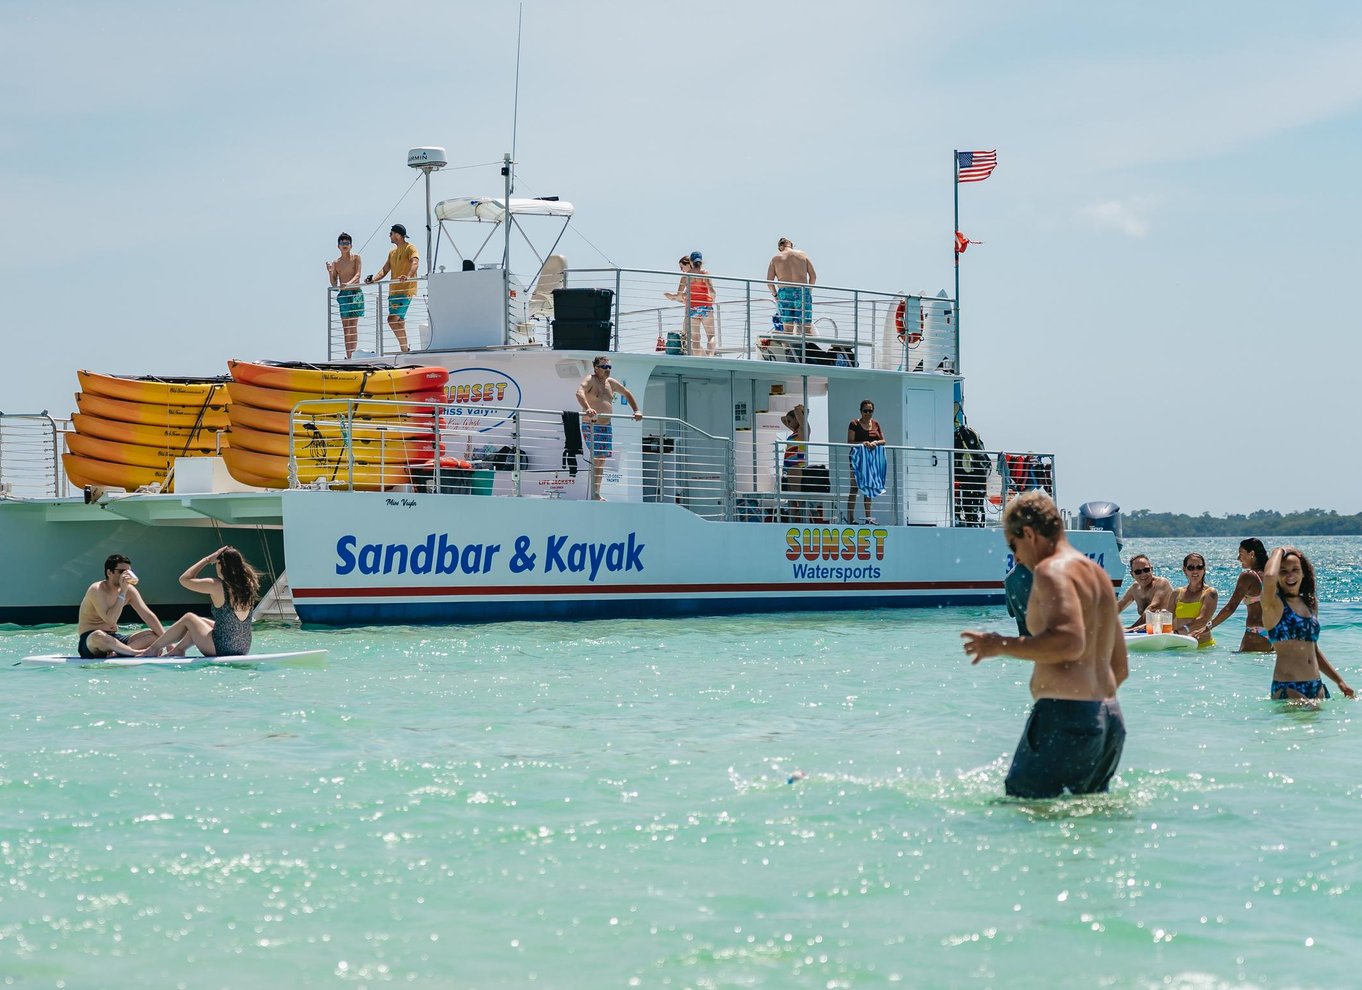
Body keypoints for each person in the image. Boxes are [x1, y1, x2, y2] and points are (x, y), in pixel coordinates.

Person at [961, 491, 1128, 799]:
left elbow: (1068, 642)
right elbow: (1120, 667)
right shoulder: (1098, 576)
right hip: (1109, 721)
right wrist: (1089, 709)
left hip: (1064, 718)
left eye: (1014, 546)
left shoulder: (1052, 570)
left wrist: (999, 645)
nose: (1017, 557)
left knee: (1022, 816)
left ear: (1028, 533)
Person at [1260, 546, 1354, 701]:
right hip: (1289, 687)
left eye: (1295, 569)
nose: (1290, 575)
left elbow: (1313, 650)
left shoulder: (1309, 603)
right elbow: (1269, 576)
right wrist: (1280, 550)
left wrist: (1339, 681)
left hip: (1316, 686)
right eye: (1283, 571)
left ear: (1303, 573)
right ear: (1278, 576)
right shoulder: (1273, 605)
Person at [141, 547, 262, 658]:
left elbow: (184, 579)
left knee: (189, 618)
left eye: (216, 564)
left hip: (221, 648)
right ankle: (179, 649)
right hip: (243, 647)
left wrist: (207, 559)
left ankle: (152, 649)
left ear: (222, 565)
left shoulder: (216, 585)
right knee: (200, 622)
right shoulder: (248, 585)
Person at [575, 356, 643, 501]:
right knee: (598, 457)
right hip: (591, 425)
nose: (608, 370)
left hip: (606, 426)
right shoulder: (590, 380)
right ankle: (595, 493)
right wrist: (588, 408)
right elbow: (579, 392)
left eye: (609, 367)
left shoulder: (611, 383)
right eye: (604, 367)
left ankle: (596, 492)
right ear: (596, 368)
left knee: (602, 459)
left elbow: (626, 393)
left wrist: (636, 410)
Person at [75, 553, 166, 658]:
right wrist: (122, 592)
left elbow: (147, 615)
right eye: (122, 572)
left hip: (114, 638)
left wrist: (168, 642)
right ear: (109, 572)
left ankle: (117, 653)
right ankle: (136, 653)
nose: (126, 575)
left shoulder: (129, 590)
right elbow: (110, 620)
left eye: (129, 572)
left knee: (153, 636)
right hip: (91, 641)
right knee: (98, 635)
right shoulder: (97, 589)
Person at [1195, 538, 1271, 653]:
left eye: (1241, 553)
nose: (1238, 558)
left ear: (1252, 554)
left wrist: (1209, 626)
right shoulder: (1272, 575)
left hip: (1256, 633)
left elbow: (1231, 607)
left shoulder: (1248, 576)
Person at [365, 223, 419, 352]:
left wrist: (408, 276)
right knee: (399, 321)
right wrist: (372, 280)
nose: (389, 236)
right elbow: (385, 269)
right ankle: (405, 350)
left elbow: (415, 263)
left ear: (398, 235)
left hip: (405, 291)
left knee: (391, 319)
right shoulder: (392, 252)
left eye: (391, 233)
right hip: (393, 291)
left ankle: (405, 349)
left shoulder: (410, 248)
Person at [766, 237, 816, 334]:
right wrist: (808, 292)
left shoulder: (775, 259)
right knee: (806, 327)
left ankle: (789, 349)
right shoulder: (802, 255)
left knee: (787, 328)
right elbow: (813, 277)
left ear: (780, 247)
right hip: (802, 291)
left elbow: (769, 282)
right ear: (791, 245)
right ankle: (807, 348)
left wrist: (775, 295)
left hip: (785, 294)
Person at [845, 399, 885, 523]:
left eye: (870, 411)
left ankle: (868, 518)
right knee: (854, 487)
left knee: (869, 487)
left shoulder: (876, 424)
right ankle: (850, 518)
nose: (868, 413)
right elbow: (850, 442)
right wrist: (863, 443)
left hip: (870, 461)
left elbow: (883, 441)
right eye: (865, 411)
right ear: (861, 411)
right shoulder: (854, 424)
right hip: (857, 460)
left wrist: (875, 442)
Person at [326, 232, 364, 358]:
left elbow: (358, 274)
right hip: (343, 296)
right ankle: (348, 356)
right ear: (338, 246)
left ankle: (352, 355)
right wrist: (330, 272)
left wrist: (348, 283)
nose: (345, 245)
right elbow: (334, 283)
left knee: (353, 326)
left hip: (355, 293)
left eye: (347, 243)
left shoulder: (356, 258)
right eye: (342, 243)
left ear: (351, 245)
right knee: (345, 328)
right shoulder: (336, 263)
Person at [1115, 554, 1175, 631]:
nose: (1143, 574)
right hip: (1150, 630)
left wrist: (1130, 629)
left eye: (1146, 570)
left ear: (1151, 569)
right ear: (1132, 574)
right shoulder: (1135, 588)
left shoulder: (1162, 583)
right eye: (1138, 572)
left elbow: (1152, 609)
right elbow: (1118, 608)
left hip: (1168, 630)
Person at [1171, 552, 1218, 646]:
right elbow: (1166, 618)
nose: (1195, 571)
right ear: (1184, 570)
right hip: (1179, 646)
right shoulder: (1177, 593)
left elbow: (1202, 620)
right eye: (1191, 568)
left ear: (1204, 570)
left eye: (1199, 567)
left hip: (1203, 648)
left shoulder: (1210, 593)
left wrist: (1178, 632)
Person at [780, 403, 808, 521]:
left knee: (798, 497)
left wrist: (800, 410)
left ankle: (802, 520)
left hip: (796, 467)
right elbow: (783, 420)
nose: (788, 423)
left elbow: (797, 416)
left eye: (791, 421)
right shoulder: (795, 431)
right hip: (789, 467)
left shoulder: (803, 430)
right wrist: (792, 417)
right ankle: (791, 521)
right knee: (791, 498)